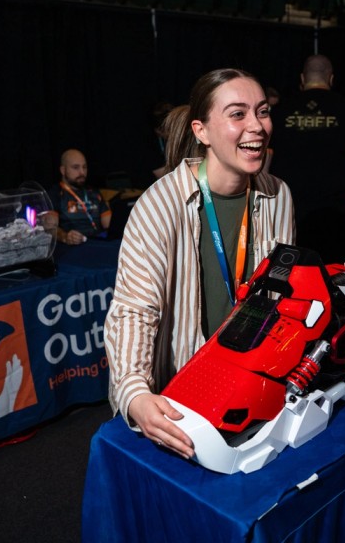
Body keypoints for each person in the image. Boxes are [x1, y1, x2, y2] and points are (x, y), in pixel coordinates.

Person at [104, 69, 294, 458]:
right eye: (238, 114)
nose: (257, 126)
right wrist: (135, 392)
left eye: (262, 112)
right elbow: (134, 310)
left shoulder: (280, 196)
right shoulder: (159, 206)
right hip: (184, 403)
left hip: (253, 386)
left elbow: (281, 294)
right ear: (202, 131)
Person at [270, 54, 345, 264]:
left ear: (302, 78)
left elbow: (268, 154)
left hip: (291, 203)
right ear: (331, 78)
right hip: (336, 206)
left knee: (292, 268)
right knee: (333, 270)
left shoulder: (281, 110)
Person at [47, 149, 112, 245]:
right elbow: (50, 229)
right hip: (73, 247)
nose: (82, 172)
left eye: (84, 167)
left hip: (99, 243)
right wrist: (65, 237)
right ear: (63, 170)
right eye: (76, 167)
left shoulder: (94, 192)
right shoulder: (55, 194)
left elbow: (109, 225)